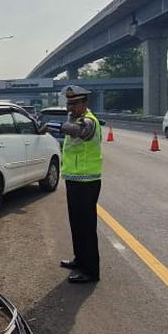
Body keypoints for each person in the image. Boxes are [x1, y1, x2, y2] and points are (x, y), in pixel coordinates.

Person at [54, 85, 102, 283]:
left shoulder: (89, 121)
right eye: (69, 104)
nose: (70, 108)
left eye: (74, 104)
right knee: (76, 223)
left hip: (88, 181)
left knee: (86, 226)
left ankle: (91, 271)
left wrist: (57, 126)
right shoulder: (73, 119)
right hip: (75, 179)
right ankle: (80, 259)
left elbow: (82, 132)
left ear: (84, 104)